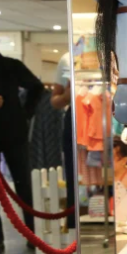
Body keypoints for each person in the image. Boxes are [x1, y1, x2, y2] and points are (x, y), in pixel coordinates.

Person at [0, 28, 41, 254]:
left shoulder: (11, 65)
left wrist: (25, 113)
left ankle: (32, 234)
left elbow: (36, 87)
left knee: (23, 184)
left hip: (14, 134)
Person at [51, 52, 76, 232]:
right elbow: (55, 100)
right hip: (74, 117)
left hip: (107, 116)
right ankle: (74, 224)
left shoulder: (114, 48)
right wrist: (66, 97)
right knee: (74, 174)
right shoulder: (68, 57)